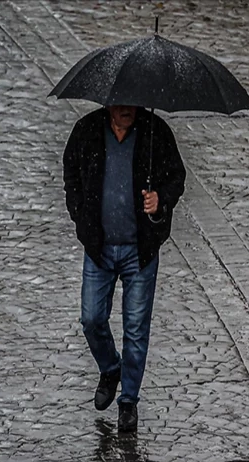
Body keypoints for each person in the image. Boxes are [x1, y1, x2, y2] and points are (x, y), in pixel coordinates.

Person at [62, 105, 186, 432]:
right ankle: (110, 368)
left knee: (135, 329)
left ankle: (128, 401)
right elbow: (71, 172)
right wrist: (81, 217)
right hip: (99, 248)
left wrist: (160, 199)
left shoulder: (155, 133)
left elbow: (177, 176)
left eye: (131, 102)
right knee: (91, 318)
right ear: (108, 103)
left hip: (139, 251)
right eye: (119, 102)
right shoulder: (87, 131)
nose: (125, 109)